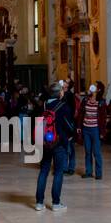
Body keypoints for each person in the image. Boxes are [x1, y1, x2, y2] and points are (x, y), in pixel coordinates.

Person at [35, 79, 75, 211]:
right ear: (59, 93)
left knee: (44, 170)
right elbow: (69, 126)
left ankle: (39, 203)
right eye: (62, 90)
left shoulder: (44, 105)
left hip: (45, 142)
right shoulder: (64, 107)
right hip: (59, 143)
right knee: (58, 172)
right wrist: (70, 136)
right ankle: (56, 203)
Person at [76, 82, 106, 180]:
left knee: (96, 152)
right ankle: (88, 172)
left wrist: (102, 132)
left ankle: (98, 173)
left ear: (99, 90)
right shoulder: (85, 100)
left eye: (95, 86)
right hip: (86, 129)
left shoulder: (101, 102)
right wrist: (79, 126)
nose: (92, 87)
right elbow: (81, 114)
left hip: (95, 129)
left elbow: (103, 118)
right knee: (87, 151)